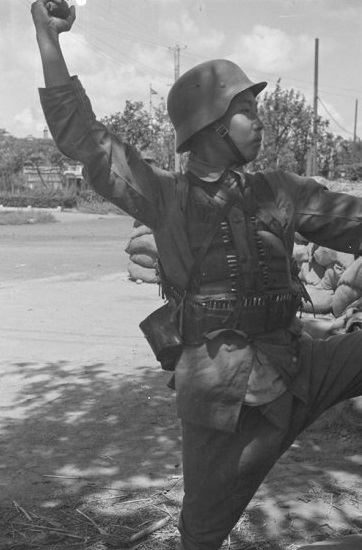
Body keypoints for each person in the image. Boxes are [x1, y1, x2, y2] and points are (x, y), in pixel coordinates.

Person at [31, 1, 362, 548]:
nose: (261, 119)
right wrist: (49, 42)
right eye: (246, 109)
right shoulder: (165, 197)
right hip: (227, 395)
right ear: (210, 124)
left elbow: (347, 219)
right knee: (202, 535)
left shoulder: (278, 189)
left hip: (300, 364)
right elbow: (87, 140)